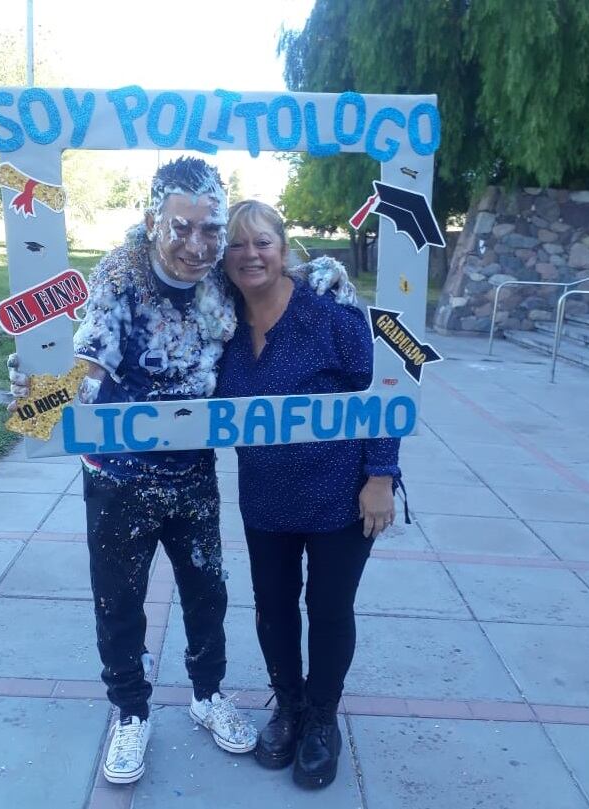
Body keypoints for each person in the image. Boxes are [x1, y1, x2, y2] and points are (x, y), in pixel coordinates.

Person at [7, 158, 353, 786]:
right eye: (182, 227)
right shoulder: (122, 274)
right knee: (119, 600)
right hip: (119, 473)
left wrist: (321, 274)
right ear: (153, 222)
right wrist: (40, 396)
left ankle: (206, 693)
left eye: (210, 228)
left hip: (193, 471)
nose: (198, 244)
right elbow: (89, 360)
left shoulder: (221, 274)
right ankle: (131, 711)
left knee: (207, 594)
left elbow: (272, 273)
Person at [216, 200, 405, 790]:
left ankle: (321, 719)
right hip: (266, 497)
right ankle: (289, 707)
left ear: (284, 248)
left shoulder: (331, 319)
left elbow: (381, 392)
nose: (250, 255)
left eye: (262, 242)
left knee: (327, 609)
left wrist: (380, 476)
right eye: (237, 245)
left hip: (339, 496)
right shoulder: (217, 325)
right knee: (271, 605)